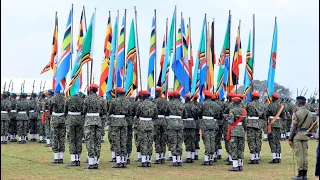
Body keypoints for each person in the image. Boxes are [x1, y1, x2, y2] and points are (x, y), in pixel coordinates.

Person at [289, 96, 314, 180]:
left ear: (298, 103)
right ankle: (305, 175)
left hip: (298, 135)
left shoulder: (296, 113)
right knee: (305, 155)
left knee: (299, 156)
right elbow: (312, 125)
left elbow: (293, 127)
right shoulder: (309, 113)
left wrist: (290, 138)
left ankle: (300, 175)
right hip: (306, 135)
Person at [83, 84, 105, 169]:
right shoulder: (101, 99)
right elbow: (104, 111)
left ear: (90, 90)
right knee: (97, 142)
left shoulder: (86, 99)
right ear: (96, 90)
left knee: (89, 141)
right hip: (98, 121)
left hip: (89, 121)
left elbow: (84, 110)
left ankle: (91, 163)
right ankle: (96, 162)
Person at [109, 88, 130, 168]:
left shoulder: (114, 101)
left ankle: (118, 162)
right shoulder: (127, 101)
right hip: (124, 122)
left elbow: (110, 111)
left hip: (116, 122)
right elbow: (129, 113)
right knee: (123, 141)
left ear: (117, 93)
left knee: (117, 142)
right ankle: (124, 161)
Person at [199, 91, 222, 165]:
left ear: (205, 97)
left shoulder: (203, 104)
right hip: (213, 123)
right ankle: (211, 158)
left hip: (205, 123)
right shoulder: (216, 105)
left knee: (206, 141)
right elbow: (218, 116)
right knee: (212, 140)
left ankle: (207, 159)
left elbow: (199, 113)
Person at [136, 90, 157, 167]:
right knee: (149, 142)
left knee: (143, 142)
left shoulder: (141, 104)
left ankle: (144, 161)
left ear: (142, 96)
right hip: (150, 124)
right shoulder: (153, 104)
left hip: (142, 124)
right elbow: (155, 116)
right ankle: (149, 160)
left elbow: (137, 114)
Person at [65, 92, 84, 167]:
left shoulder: (68, 99)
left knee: (72, 139)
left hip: (71, 119)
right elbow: (84, 111)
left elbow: (65, 111)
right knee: (78, 139)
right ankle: (78, 159)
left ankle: (73, 160)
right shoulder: (82, 100)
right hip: (79, 119)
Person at [166, 91, 185, 167]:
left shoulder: (169, 103)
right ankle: (179, 160)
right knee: (179, 142)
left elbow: (166, 113)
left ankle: (174, 161)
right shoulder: (182, 104)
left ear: (173, 96)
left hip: (172, 124)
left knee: (173, 142)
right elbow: (185, 115)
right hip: (180, 124)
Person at [227, 97, 247, 171]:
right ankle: (240, 165)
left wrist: (227, 119)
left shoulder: (232, 110)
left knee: (234, 148)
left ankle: (235, 166)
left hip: (234, 130)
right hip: (241, 130)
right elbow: (245, 123)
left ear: (234, 102)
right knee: (241, 148)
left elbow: (231, 121)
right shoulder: (244, 111)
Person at [266, 93, 285, 163]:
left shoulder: (270, 105)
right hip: (278, 124)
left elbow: (266, 114)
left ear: (272, 98)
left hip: (272, 123)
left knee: (272, 140)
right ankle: (279, 157)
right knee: (277, 140)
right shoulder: (281, 106)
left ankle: (274, 157)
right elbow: (283, 116)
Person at [246, 91, 264, 164]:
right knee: (258, 140)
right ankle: (257, 156)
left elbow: (246, 112)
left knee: (251, 140)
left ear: (252, 97)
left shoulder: (249, 104)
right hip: (258, 123)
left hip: (250, 123)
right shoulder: (262, 105)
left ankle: (253, 158)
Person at [152, 87, 169, 164]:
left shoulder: (154, 101)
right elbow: (168, 112)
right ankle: (162, 157)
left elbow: (152, 112)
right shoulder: (165, 101)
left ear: (157, 93)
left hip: (156, 121)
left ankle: (158, 157)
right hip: (164, 121)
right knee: (163, 139)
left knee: (157, 139)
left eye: (155, 92)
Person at [49, 91, 66, 164]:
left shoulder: (52, 98)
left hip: (55, 118)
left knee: (54, 138)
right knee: (62, 138)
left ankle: (56, 158)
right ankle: (61, 158)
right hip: (62, 118)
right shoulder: (64, 98)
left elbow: (49, 108)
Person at [182, 93, 199, 164]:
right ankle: (192, 156)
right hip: (193, 123)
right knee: (192, 139)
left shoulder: (184, 106)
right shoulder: (194, 106)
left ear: (186, 98)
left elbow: (182, 115)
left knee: (187, 140)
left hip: (186, 124)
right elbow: (196, 115)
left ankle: (188, 157)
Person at [223, 92, 236, 164]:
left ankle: (230, 157)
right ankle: (232, 157)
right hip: (236, 125)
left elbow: (225, 112)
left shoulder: (229, 105)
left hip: (228, 124)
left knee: (228, 139)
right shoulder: (239, 105)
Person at [192, 94, 201, 160]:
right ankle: (196, 154)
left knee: (192, 138)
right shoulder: (199, 105)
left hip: (192, 122)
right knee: (197, 138)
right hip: (198, 122)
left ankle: (192, 155)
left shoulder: (192, 104)